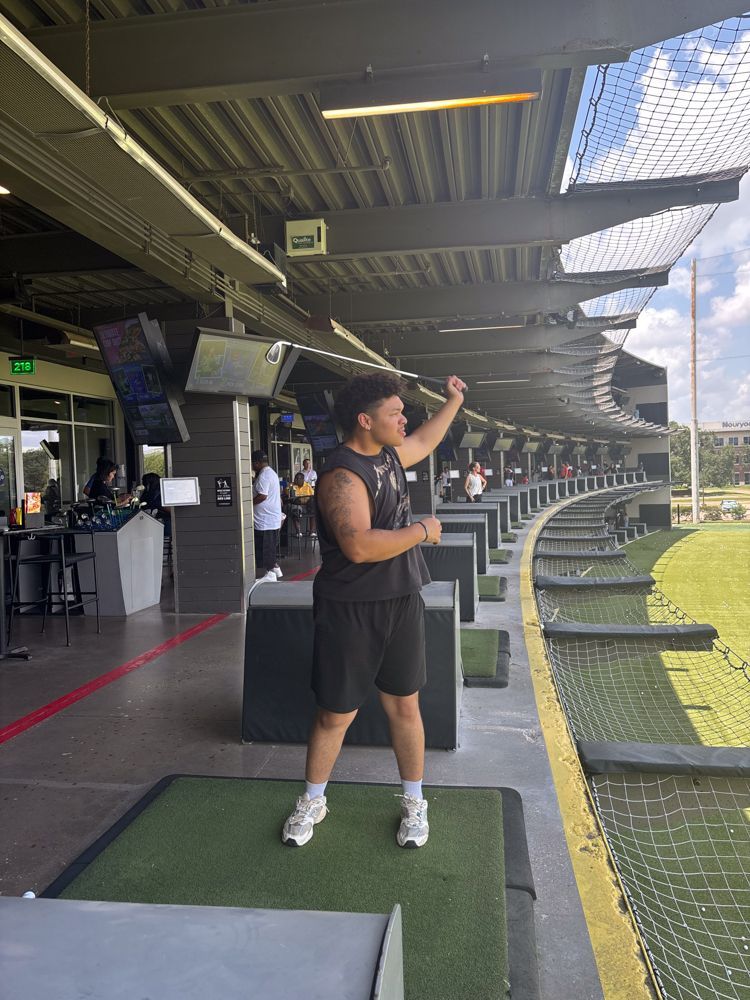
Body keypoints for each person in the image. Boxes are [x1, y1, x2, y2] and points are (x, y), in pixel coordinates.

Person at [281, 370, 467, 850]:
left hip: (402, 599)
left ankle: (414, 800)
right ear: (365, 420)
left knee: (406, 705)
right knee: (334, 714)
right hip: (350, 609)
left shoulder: (387, 454)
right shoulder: (341, 474)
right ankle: (313, 799)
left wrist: (453, 401)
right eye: (394, 413)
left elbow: (425, 439)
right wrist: (422, 531)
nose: (404, 419)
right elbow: (360, 546)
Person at [252, 450, 283, 582]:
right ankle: (275, 568)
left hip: (265, 519)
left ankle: (270, 573)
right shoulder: (272, 473)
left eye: (253, 463)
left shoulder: (264, 476)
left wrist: (248, 504)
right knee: (270, 545)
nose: (252, 466)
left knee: (266, 547)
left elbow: (262, 495)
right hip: (271, 518)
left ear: (258, 463)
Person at [286, 472, 315, 537]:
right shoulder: (292, 485)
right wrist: (291, 488)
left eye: (297, 479)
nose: (295, 480)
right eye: (295, 478)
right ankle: (298, 532)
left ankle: (312, 532)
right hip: (296, 504)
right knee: (295, 509)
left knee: (314, 508)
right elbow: (289, 494)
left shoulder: (307, 486)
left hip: (307, 505)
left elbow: (312, 496)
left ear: (302, 479)